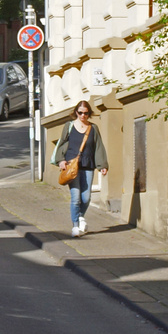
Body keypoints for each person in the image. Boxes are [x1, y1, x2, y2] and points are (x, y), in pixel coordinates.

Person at [54, 100, 109, 237]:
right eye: (80, 113)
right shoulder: (69, 126)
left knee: (86, 198)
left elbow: (98, 147)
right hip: (72, 166)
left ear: (89, 114)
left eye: (85, 113)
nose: (83, 116)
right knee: (76, 197)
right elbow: (61, 144)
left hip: (88, 165)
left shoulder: (93, 128)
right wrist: (61, 160)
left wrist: (102, 165)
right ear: (76, 113)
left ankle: (80, 217)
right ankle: (75, 226)